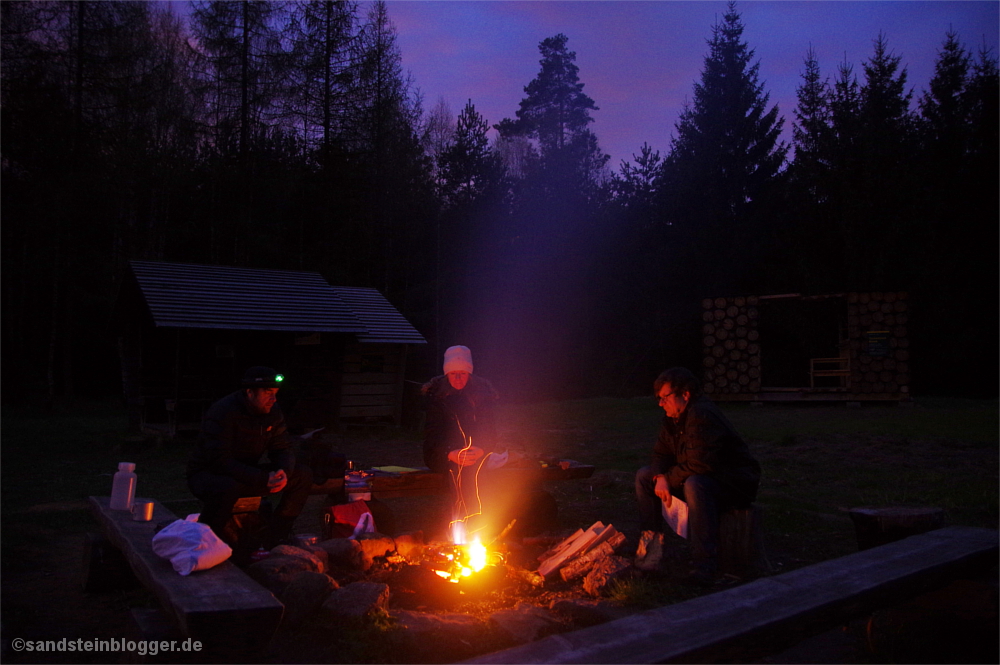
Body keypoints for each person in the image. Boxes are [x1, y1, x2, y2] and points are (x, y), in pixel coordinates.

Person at [635, 367, 761, 584]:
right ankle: (651, 552)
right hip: (701, 476)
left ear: (685, 394)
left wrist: (667, 478)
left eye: (665, 397)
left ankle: (705, 565)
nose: (660, 403)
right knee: (644, 476)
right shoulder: (673, 419)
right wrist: (659, 477)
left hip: (733, 482)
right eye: (659, 398)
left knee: (695, 484)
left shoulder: (702, 414)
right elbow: (659, 454)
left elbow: (700, 463)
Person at [187, 366, 313, 549]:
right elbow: (219, 460)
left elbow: (282, 447)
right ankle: (206, 542)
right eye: (268, 393)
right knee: (228, 487)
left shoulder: (273, 411)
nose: (273, 399)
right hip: (208, 474)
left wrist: (283, 471)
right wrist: (261, 478)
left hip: (246, 473)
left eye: (276, 393)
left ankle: (276, 536)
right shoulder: (223, 412)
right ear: (249, 392)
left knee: (303, 474)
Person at [421, 345, 500, 538]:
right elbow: (432, 438)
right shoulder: (436, 398)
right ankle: (460, 528)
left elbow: (490, 430)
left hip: (476, 455)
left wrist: (481, 449)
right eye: (453, 373)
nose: (458, 379)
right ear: (446, 374)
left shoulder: (482, 395)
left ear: (469, 374)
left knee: (480, 474)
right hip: (443, 455)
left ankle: (479, 528)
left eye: (463, 373)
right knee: (459, 474)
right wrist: (450, 453)